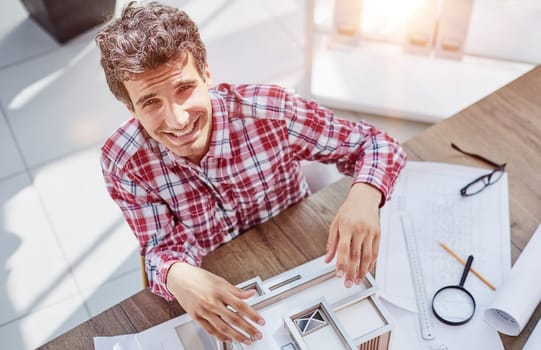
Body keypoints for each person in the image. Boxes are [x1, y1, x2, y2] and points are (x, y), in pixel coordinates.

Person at [95, 1, 406, 346]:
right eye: (150, 102)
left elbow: (377, 144)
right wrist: (177, 274)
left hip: (298, 255)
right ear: (130, 108)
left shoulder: (272, 111)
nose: (178, 120)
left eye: (184, 88)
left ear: (206, 75)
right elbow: (159, 245)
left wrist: (364, 195)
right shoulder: (122, 161)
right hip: (221, 281)